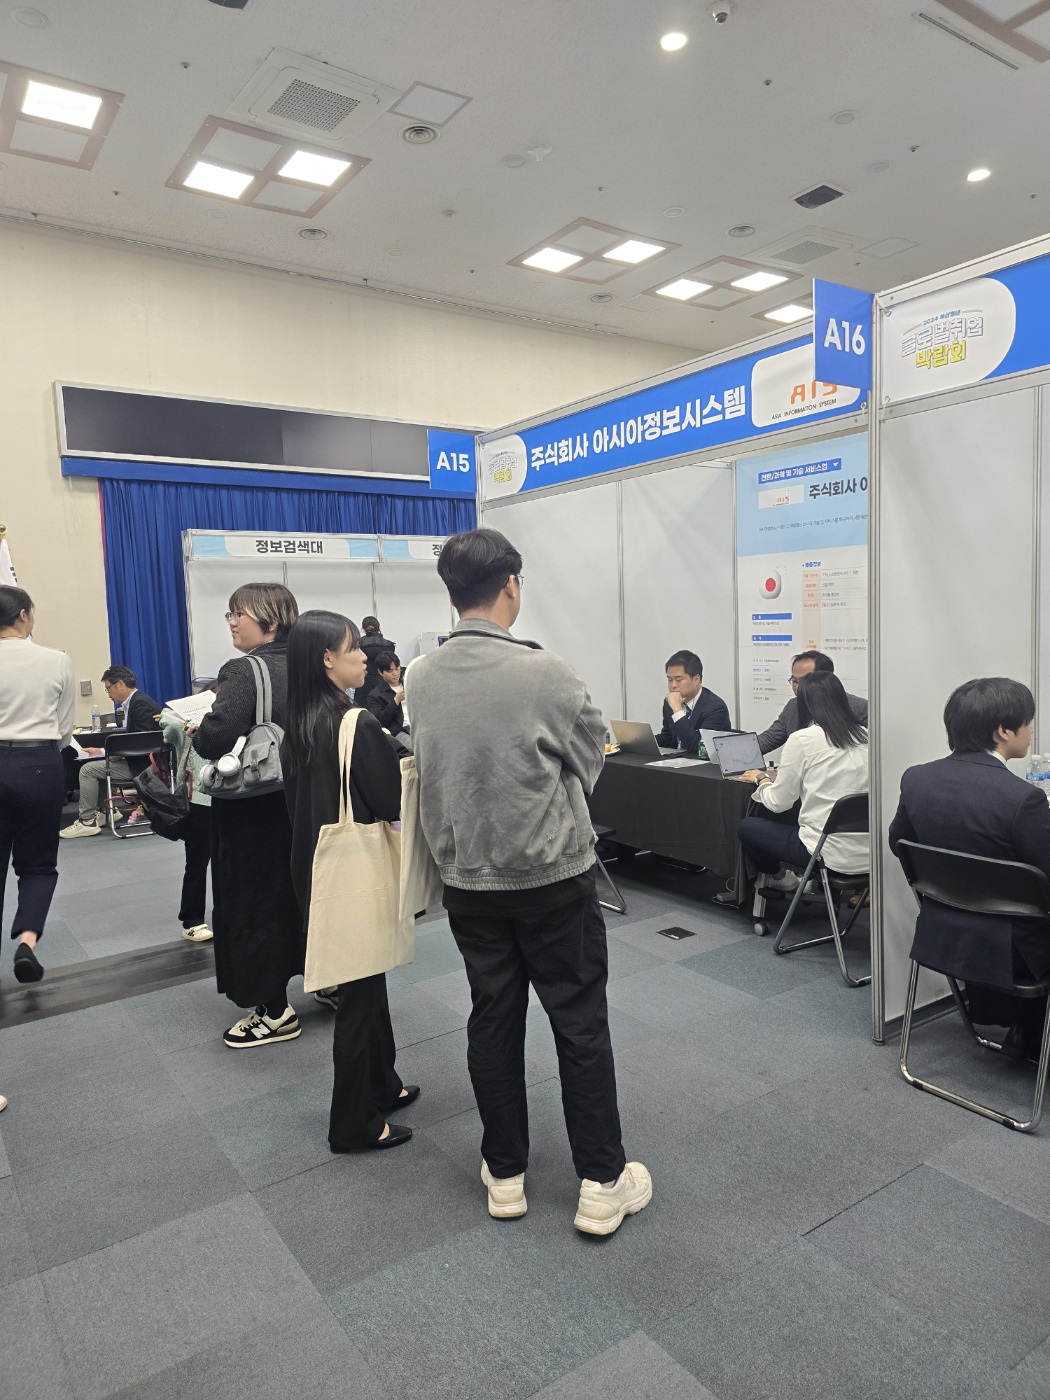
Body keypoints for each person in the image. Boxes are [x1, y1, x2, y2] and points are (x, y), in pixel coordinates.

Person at [407, 527, 650, 1237]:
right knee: (580, 1024)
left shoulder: (420, 676)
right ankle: (601, 1182)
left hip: (468, 881)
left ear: (452, 593)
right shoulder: (548, 672)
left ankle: (505, 1172)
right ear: (511, 585)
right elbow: (592, 757)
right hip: (552, 878)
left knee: (492, 1019)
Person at [283, 610, 418, 1151]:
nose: (366, 657)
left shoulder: (299, 721)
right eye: (354, 648)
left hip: (316, 864)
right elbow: (388, 800)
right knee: (361, 995)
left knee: (366, 980)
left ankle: (383, 1084)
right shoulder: (354, 722)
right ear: (327, 659)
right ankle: (354, 1123)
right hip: (354, 870)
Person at [888, 677, 1050, 1059]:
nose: (1031, 730)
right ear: (1004, 731)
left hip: (941, 932)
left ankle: (1024, 1028)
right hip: (1015, 952)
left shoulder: (917, 778)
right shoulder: (1023, 799)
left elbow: (900, 844)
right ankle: (1031, 1031)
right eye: (1028, 722)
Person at [193, 582, 304, 1048]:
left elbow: (215, 739)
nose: (232, 623)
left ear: (270, 621)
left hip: (254, 808)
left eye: (238, 614)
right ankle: (331, 980)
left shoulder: (243, 670)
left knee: (254, 903)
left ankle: (273, 1011)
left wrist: (200, 730)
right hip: (308, 801)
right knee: (306, 894)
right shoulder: (311, 662)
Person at [0, 584, 75, 985]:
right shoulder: (55, 660)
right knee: (38, 864)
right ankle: (27, 942)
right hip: (39, 764)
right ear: (24, 615)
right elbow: (64, 728)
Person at [737, 669, 869, 892]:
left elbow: (778, 803)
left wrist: (761, 779)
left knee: (748, 827)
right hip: (869, 854)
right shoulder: (865, 735)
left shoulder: (803, 739)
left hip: (823, 853)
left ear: (804, 705)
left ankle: (781, 879)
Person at [60, 665, 161, 838]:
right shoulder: (137, 702)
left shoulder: (141, 705)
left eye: (108, 689)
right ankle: (106, 812)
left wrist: (114, 753)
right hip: (139, 762)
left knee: (87, 770)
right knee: (96, 765)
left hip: (143, 766)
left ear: (120, 684)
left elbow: (142, 742)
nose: (108, 694)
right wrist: (104, 751)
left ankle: (87, 821)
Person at [157, 690, 215, 943]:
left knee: (230, 861)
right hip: (198, 803)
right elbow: (166, 721)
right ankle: (192, 921)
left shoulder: (230, 726)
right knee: (197, 863)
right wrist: (187, 722)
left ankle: (228, 913)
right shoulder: (186, 728)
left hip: (233, 799)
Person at [758, 650, 868, 756]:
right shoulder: (793, 706)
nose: (797, 687)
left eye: (804, 681)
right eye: (794, 681)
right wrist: (748, 748)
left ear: (824, 679)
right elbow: (769, 739)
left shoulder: (859, 707)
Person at [655, 650, 732, 754]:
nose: (673, 685)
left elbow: (698, 747)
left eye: (678, 680)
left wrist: (677, 710)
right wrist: (639, 741)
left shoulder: (716, 707)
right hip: (676, 761)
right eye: (670, 680)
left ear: (696, 679)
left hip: (704, 763)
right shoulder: (670, 702)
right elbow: (668, 738)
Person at [366, 651, 407, 738]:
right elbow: (380, 721)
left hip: (418, 726)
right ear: (380, 672)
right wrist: (396, 701)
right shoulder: (375, 695)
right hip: (398, 731)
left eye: (397, 669)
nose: (395, 674)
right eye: (390, 671)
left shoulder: (409, 684)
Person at [356, 616, 395, 705]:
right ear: (378, 627)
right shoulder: (389, 645)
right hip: (383, 683)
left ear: (363, 629)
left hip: (363, 684)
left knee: (363, 710)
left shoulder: (357, 645)